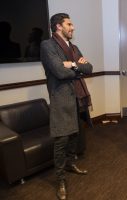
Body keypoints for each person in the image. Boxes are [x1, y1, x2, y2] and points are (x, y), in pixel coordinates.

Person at [40, 13, 93, 200]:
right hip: (61, 100)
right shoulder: (48, 45)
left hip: (77, 98)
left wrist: (71, 65)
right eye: (69, 24)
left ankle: (71, 164)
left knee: (74, 134)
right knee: (61, 141)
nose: (73, 27)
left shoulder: (74, 47)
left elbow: (89, 68)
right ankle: (60, 180)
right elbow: (59, 72)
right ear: (58, 26)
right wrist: (76, 65)